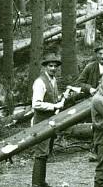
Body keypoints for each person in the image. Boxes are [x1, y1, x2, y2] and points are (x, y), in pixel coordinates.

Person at [31, 54, 66, 187]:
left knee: (46, 152)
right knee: (40, 153)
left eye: (55, 66)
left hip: (50, 121)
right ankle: (36, 184)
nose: (53, 68)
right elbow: (36, 104)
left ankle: (41, 181)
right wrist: (54, 106)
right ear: (45, 67)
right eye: (50, 66)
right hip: (41, 122)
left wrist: (60, 99)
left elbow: (52, 98)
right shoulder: (40, 82)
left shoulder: (53, 80)